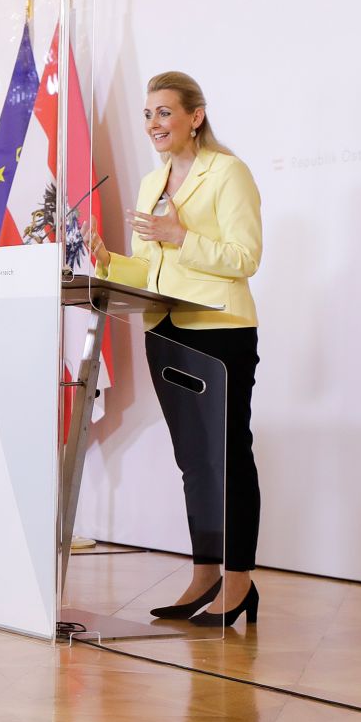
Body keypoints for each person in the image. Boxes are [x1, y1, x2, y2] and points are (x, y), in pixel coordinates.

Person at [88, 71, 263, 627]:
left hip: (218, 331)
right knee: (193, 460)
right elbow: (150, 265)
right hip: (165, 327)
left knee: (226, 457)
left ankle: (239, 584)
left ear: (195, 116)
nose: (153, 124)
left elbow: (244, 257)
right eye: (147, 114)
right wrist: (108, 260)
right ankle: (204, 573)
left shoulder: (227, 172)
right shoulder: (150, 183)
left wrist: (181, 236)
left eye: (164, 112)